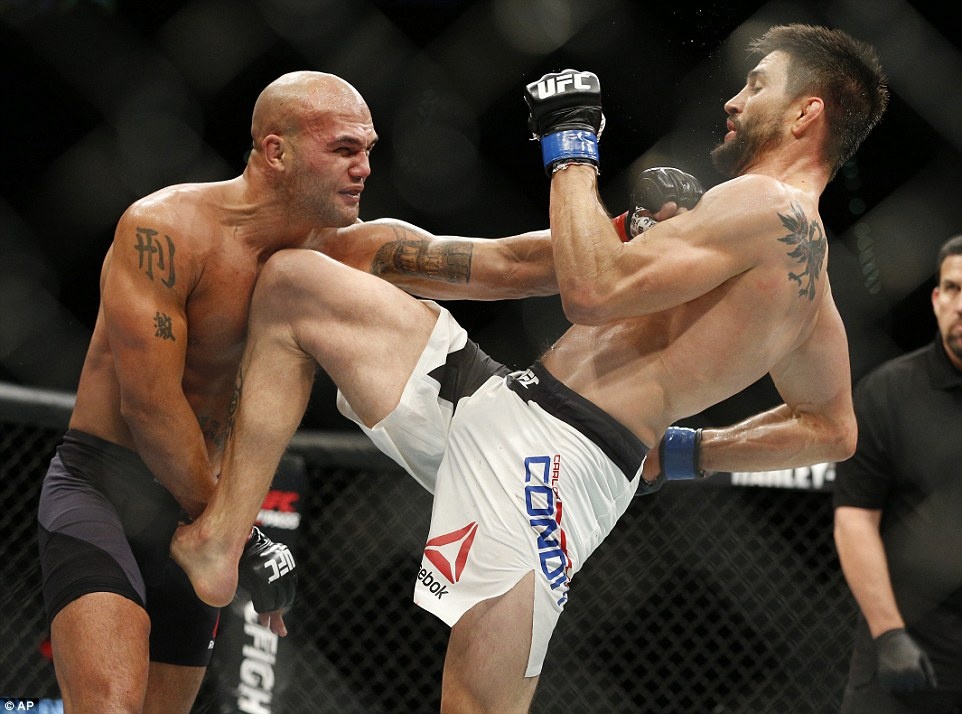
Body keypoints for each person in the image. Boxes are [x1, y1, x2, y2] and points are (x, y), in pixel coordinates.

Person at [171, 24, 888, 713]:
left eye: (756, 85)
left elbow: (592, 293)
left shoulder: (762, 203)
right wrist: (685, 452)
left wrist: (571, 145)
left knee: (476, 705)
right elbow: (832, 430)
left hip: (550, 463)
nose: (733, 101)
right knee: (296, 283)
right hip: (506, 402)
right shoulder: (812, 290)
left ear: (807, 113)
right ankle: (222, 537)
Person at [35, 70, 567, 714]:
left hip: (208, 509)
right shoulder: (166, 230)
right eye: (343, 149)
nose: (363, 168)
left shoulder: (350, 252)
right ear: (276, 151)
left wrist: (632, 230)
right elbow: (148, 405)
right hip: (109, 489)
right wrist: (238, 536)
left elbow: (507, 264)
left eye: (367, 149)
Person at [833, 234, 962, 714]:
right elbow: (855, 519)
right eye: (953, 289)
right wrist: (889, 634)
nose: (961, 305)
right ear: (936, 299)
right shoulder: (888, 393)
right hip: (910, 632)